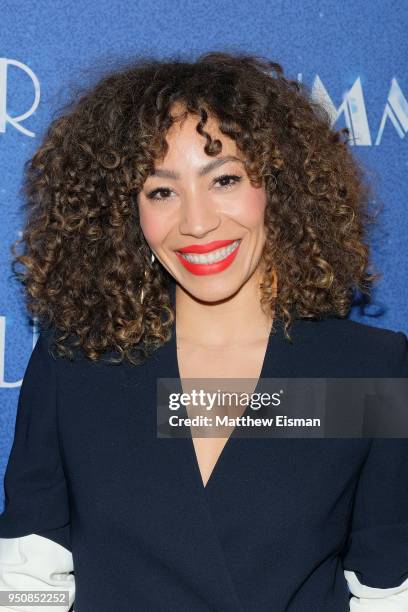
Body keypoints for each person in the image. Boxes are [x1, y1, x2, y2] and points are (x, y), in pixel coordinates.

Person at [0, 51, 407, 612]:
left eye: (225, 179)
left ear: (278, 186)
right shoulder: (78, 361)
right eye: (161, 191)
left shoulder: (366, 370)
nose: (196, 223)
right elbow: (26, 573)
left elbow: (387, 586)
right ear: (126, 213)